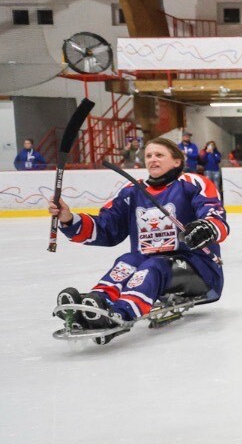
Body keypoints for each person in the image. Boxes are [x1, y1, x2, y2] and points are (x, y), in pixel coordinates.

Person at [47, 138, 227, 343]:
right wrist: (69, 219)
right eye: (148, 156)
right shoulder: (132, 191)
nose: (152, 160)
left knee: (154, 264)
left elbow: (215, 215)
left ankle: (120, 314)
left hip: (199, 268)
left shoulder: (192, 183)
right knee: (128, 260)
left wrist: (207, 227)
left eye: (159, 155)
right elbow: (107, 228)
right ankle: (96, 304)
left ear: (177, 161)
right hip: (149, 267)